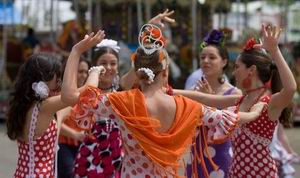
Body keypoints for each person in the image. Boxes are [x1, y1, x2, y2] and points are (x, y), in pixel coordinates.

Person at [61, 12, 265, 177]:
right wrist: (256, 109)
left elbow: (71, 96)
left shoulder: (121, 102)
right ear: (165, 72)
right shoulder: (184, 106)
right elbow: (231, 117)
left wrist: (78, 54)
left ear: (138, 72)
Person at [175, 24, 297, 177]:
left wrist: (275, 50)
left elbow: (291, 89)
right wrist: (169, 91)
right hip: (235, 172)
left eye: (237, 67)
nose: (234, 72)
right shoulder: (240, 99)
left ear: (251, 71)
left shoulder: (268, 103)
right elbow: (204, 97)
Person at [185, 29, 241, 178]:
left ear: (224, 61)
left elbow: (230, 126)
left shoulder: (234, 94)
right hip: (195, 154)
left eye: (212, 57)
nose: (205, 61)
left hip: (221, 155)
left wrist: (209, 98)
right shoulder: (192, 91)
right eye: (202, 57)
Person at [71, 39, 125, 178]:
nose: (108, 67)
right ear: (95, 66)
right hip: (90, 158)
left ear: (118, 67)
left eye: (113, 63)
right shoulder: (86, 93)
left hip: (118, 157)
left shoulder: (123, 93)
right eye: (103, 63)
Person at [6, 53, 65, 177]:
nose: (58, 80)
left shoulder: (24, 105)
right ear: (46, 77)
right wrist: (93, 70)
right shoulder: (43, 106)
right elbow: (74, 96)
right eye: (57, 75)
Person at [57, 58, 90, 178]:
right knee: (68, 173)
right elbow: (54, 122)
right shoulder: (60, 94)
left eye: (86, 72)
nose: (83, 75)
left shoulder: (89, 94)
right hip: (63, 143)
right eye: (80, 71)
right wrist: (75, 134)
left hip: (84, 143)